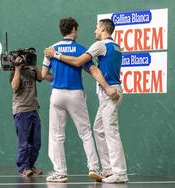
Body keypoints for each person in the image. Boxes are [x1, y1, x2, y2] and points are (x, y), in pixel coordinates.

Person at [44, 18, 128, 183]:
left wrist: (56, 54)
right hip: (110, 91)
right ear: (74, 29)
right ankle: (107, 169)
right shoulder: (116, 47)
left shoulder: (100, 45)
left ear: (103, 28)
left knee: (111, 132)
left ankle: (119, 172)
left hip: (110, 92)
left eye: (96, 27)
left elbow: (78, 61)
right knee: (98, 130)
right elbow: (94, 69)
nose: (94, 31)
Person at [10, 57, 51, 177]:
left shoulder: (31, 72)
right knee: (24, 143)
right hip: (21, 111)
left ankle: (31, 165)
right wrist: (17, 68)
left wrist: (34, 65)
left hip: (34, 110)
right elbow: (14, 86)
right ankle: (23, 167)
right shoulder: (14, 73)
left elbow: (40, 78)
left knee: (36, 142)